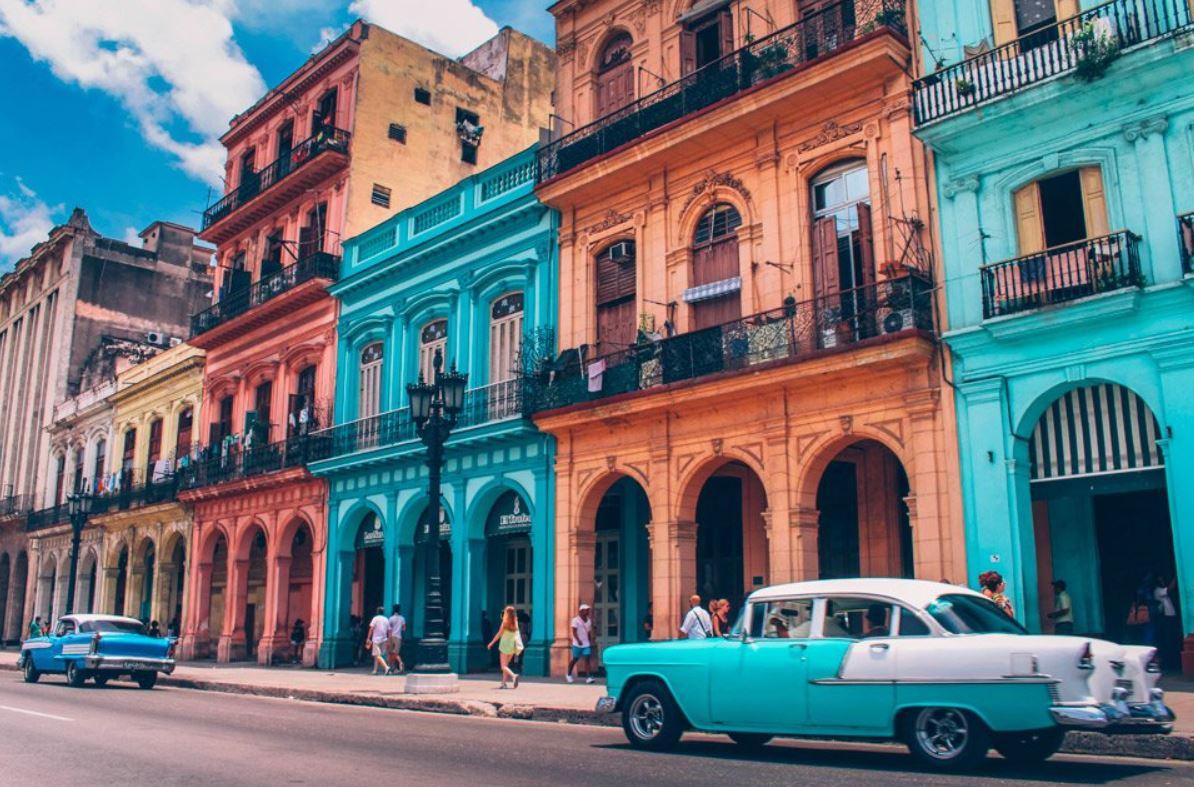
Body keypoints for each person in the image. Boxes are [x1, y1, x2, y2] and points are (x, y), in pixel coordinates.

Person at [487, 605, 524, 689]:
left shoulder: (504, 623)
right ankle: (503, 683)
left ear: (507, 613)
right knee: (506, 666)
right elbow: (517, 634)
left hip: (504, 646)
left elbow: (498, 635)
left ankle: (514, 676)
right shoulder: (515, 622)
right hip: (512, 646)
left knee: (503, 667)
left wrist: (491, 643)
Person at [1155, 575, 1180, 669]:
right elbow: (1169, 589)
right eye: (1160, 580)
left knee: (1173, 640)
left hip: (1171, 618)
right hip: (1166, 619)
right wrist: (1176, 577)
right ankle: (1170, 664)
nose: (1162, 581)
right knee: (1169, 641)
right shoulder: (1157, 591)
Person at [566, 603, 594, 684]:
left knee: (587, 658)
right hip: (577, 644)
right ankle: (568, 674)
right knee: (575, 659)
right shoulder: (575, 620)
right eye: (586, 610)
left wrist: (590, 641)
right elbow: (574, 632)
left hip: (586, 644)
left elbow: (588, 632)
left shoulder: (588, 621)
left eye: (588, 610)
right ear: (581, 611)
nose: (588, 611)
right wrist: (578, 640)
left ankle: (588, 677)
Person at [365, 606, 391, 675]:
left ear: (377, 612)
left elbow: (371, 629)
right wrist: (389, 639)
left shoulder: (375, 618)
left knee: (377, 655)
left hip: (376, 639)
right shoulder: (386, 619)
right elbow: (389, 631)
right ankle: (375, 670)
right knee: (379, 655)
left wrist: (368, 638)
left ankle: (386, 667)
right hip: (384, 639)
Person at [387, 604, 406, 674]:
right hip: (398, 637)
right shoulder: (402, 618)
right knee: (396, 653)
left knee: (390, 653)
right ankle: (398, 665)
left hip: (392, 636)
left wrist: (388, 639)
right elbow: (404, 629)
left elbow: (389, 630)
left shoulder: (391, 618)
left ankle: (391, 667)